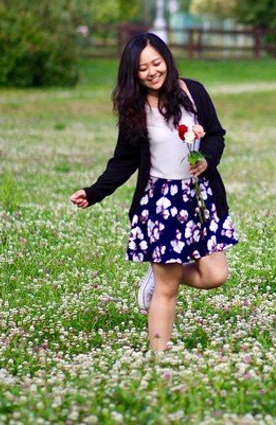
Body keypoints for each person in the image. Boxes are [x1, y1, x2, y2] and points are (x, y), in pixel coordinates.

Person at [70, 32, 238, 351]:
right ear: (133, 73)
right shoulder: (134, 109)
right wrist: (94, 193)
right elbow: (125, 160)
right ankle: (159, 359)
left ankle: (158, 269)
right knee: (167, 288)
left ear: (167, 60)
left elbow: (216, 135)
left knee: (215, 275)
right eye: (142, 68)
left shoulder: (194, 92)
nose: (152, 72)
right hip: (161, 203)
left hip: (199, 198)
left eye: (156, 63)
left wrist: (206, 159)